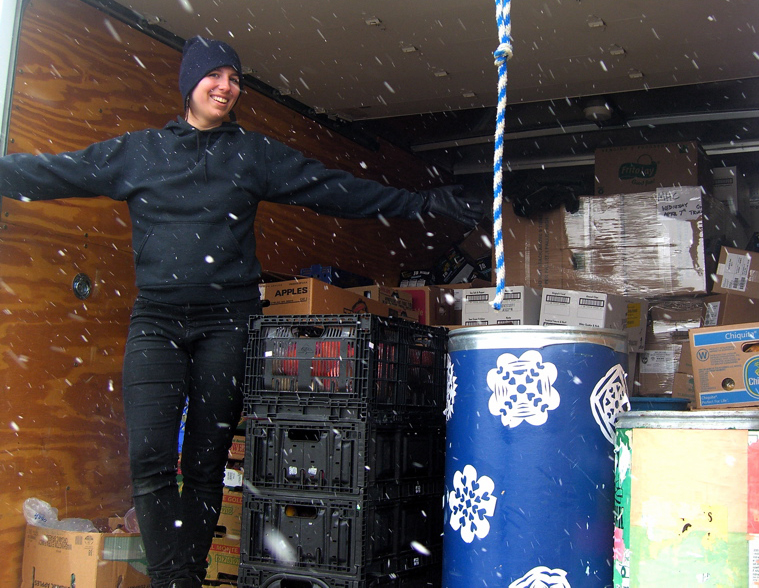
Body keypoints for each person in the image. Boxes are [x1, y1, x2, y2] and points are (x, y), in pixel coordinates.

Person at [0, 36, 482, 588]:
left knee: (205, 466)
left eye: (235, 79)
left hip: (226, 325)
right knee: (150, 459)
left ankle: (188, 573)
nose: (226, 86)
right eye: (215, 75)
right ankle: (171, 579)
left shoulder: (252, 155)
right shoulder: (138, 152)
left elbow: (336, 190)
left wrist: (420, 203)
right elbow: (53, 172)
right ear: (190, 83)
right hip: (157, 322)